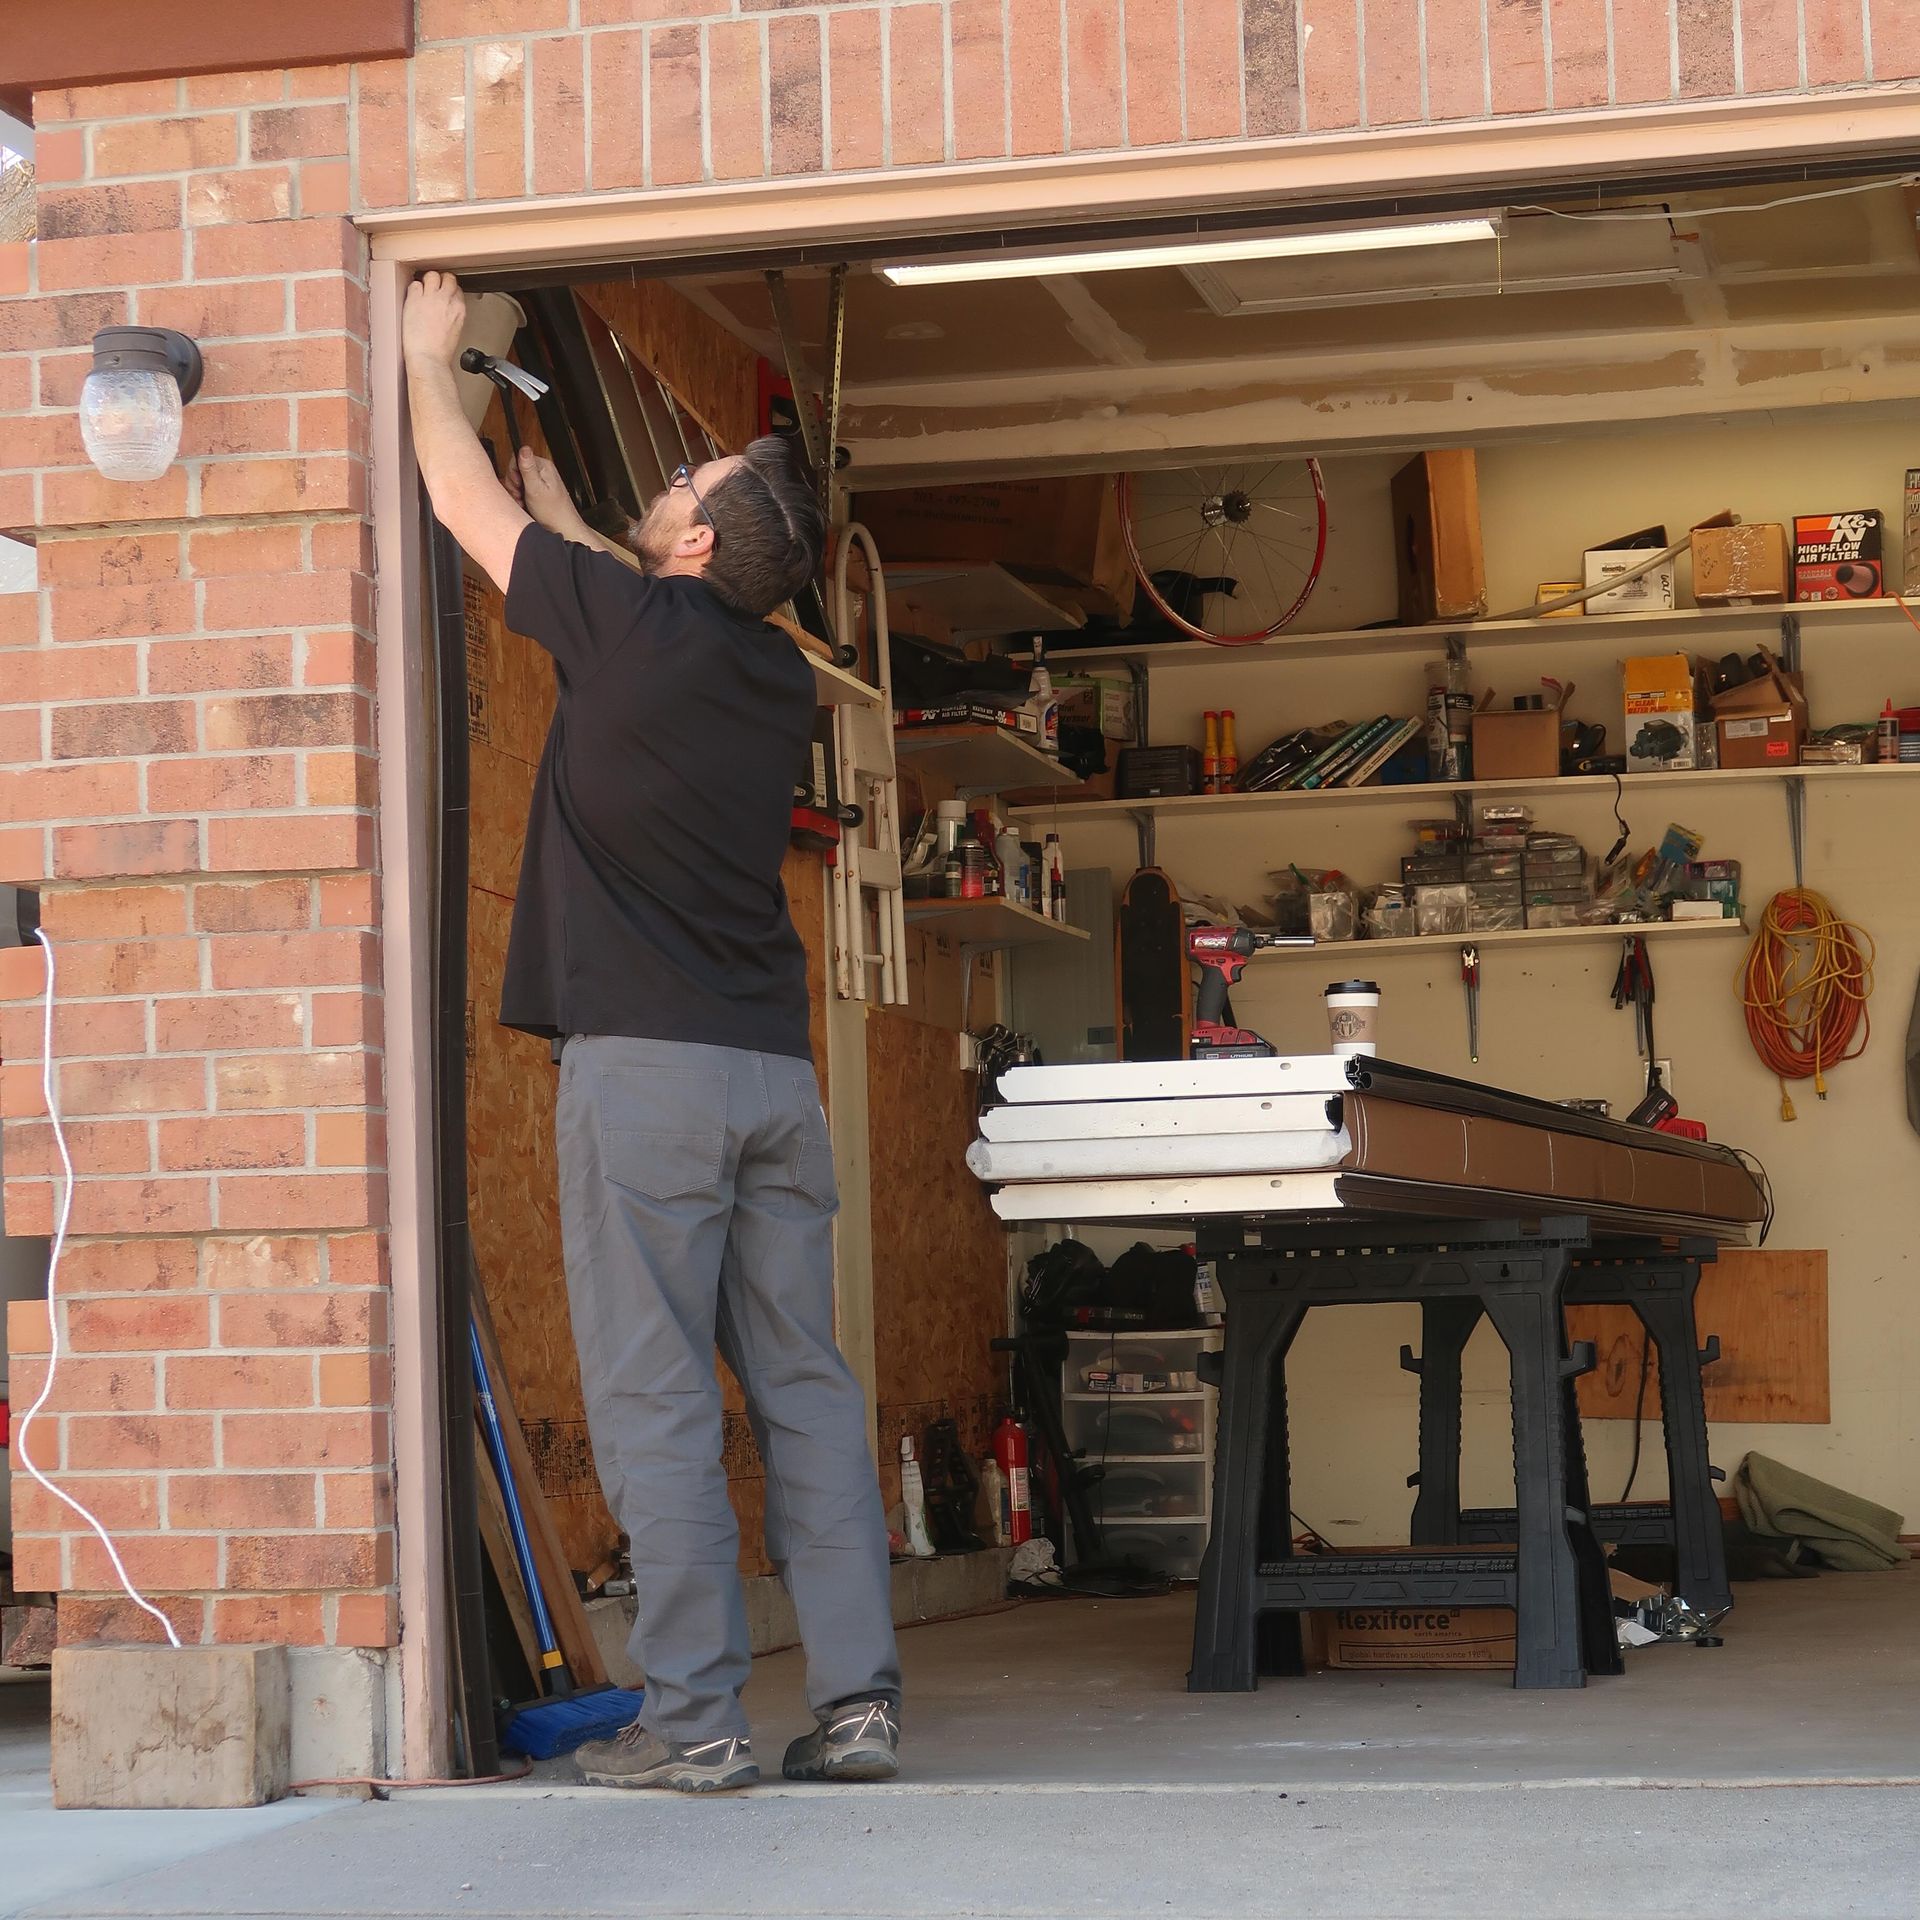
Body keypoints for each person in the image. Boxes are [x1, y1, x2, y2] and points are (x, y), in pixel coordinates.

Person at [403, 270, 902, 1793]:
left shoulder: (623, 619)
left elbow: (450, 488)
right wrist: (563, 511)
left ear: (688, 545)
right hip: (772, 1075)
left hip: (650, 1081)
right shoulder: (767, 671)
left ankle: (694, 1723)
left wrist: (435, 363)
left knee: (656, 1394)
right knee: (804, 1385)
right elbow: (591, 594)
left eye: (679, 484)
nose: (665, 484)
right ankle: (862, 1705)